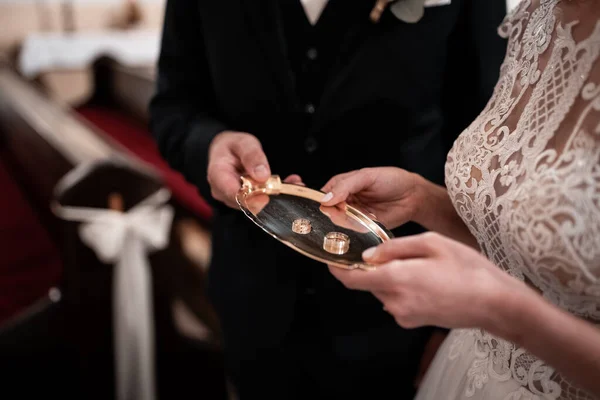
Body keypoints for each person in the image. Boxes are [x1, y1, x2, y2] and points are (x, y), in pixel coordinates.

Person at [149, 0, 507, 398]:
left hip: (401, 315)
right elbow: (174, 106)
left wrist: (454, 323)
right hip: (254, 302)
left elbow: (488, 135)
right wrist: (209, 146)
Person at [319, 0, 600, 398]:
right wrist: (422, 199)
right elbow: (528, 253)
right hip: (464, 373)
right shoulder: (540, 14)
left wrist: (499, 309)